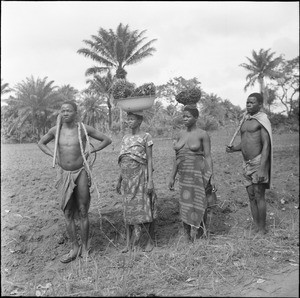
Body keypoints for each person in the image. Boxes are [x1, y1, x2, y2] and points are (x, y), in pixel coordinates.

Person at [37, 101, 112, 263]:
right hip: (64, 174)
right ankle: (74, 248)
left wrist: (92, 149)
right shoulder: (55, 130)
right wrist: (54, 155)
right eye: (62, 110)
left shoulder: (84, 129)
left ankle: (85, 248)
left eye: (68, 111)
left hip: (81, 173)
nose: (65, 113)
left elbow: (106, 140)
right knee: (68, 213)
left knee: (83, 210)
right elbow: (41, 143)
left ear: (75, 113)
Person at [226, 93, 273, 235]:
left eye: (252, 102)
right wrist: (234, 148)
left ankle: (262, 229)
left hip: (258, 162)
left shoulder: (262, 121)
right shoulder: (245, 121)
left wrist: (263, 169)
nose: (248, 104)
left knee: (259, 194)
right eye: (247, 102)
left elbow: (266, 145)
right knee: (251, 195)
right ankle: (256, 226)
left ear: (260, 105)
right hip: (246, 163)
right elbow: (246, 142)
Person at [168, 104, 216, 242]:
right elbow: (176, 158)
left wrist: (211, 177)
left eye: (188, 116)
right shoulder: (180, 134)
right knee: (185, 204)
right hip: (184, 176)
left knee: (200, 203)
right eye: (183, 116)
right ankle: (187, 235)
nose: (185, 119)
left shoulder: (202, 134)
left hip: (198, 175)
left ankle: (201, 233)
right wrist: (172, 176)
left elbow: (208, 156)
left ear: (196, 118)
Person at [116, 111, 157, 252]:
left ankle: (150, 241)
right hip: (127, 180)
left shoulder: (146, 137)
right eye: (128, 119)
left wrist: (150, 181)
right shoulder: (125, 138)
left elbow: (150, 159)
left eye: (132, 119)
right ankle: (128, 243)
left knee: (147, 207)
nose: (129, 121)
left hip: (141, 176)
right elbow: (123, 159)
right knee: (128, 210)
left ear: (139, 121)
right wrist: (119, 179)